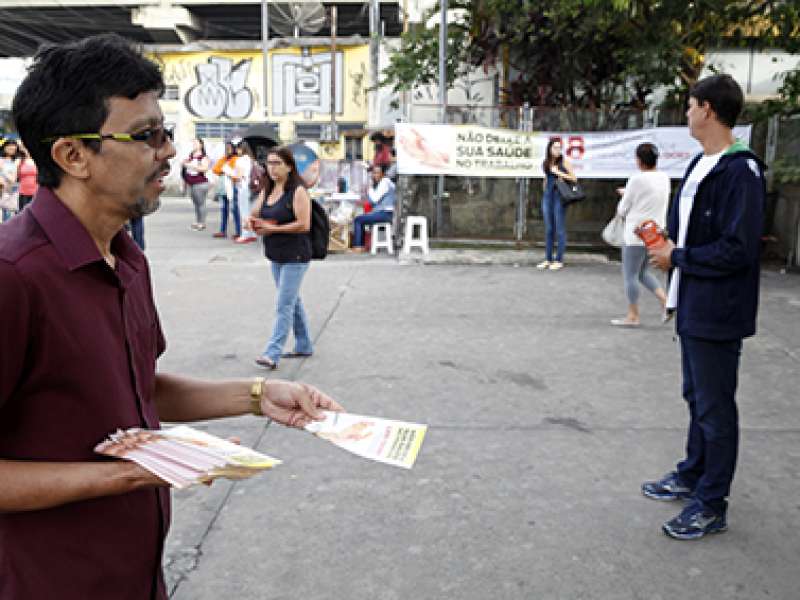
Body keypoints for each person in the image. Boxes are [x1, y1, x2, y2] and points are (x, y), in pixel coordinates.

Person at [0, 34, 342, 599]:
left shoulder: (126, 258)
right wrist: (130, 474)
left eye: (165, 133)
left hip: (136, 574)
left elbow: (136, 389)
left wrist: (257, 395)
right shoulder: (15, 276)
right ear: (72, 155)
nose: (168, 152)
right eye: (146, 136)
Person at [643, 74, 765, 540]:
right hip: (691, 300)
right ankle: (693, 472)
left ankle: (712, 503)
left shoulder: (741, 172)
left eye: (691, 105)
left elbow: (738, 249)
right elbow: (692, 231)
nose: (687, 113)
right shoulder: (700, 163)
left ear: (709, 110)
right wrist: (667, 242)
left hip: (719, 309)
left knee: (715, 408)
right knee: (696, 396)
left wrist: (679, 257)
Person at [249, 146, 314, 370]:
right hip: (275, 253)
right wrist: (253, 221)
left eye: (277, 163)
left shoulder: (297, 191)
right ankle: (304, 344)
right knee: (292, 301)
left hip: (296, 255)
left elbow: (304, 224)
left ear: (289, 166)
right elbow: (256, 212)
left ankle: (272, 353)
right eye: (269, 163)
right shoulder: (267, 189)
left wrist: (272, 229)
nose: (272, 168)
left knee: (283, 304)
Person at [611, 142, 670, 326]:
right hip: (654, 232)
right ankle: (667, 302)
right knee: (643, 272)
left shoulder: (636, 180)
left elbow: (623, 209)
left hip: (636, 232)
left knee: (630, 275)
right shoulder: (664, 177)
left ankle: (633, 315)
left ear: (638, 160)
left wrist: (625, 194)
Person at [537, 138, 576, 271]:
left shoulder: (564, 162)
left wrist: (559, 173)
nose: (557, 150)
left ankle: (559, 259)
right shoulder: (546, 163)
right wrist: (545, 190)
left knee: (559, 229)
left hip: (559, 197)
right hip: (548, 196)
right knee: (549, 229)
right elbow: (546, 178)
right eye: (555, 147)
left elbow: (574, 178)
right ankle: (548, 258)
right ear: (549, 148)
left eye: (559, 148)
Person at [351, 164, 396, 252]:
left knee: (358, 220)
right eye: (374, 173)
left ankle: (358, 246)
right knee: (362, 219)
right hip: (384, 213)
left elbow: (375, 199)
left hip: (385, 214)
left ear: (383, 174)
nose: (375, 175)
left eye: (377, 173)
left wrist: (369, 189)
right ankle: (361, 246)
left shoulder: (385, 182)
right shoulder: (385, 183)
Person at [212, 141, 241, 239]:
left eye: (229, 148)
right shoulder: (223, 159)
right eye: (226, 148)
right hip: (223, 188)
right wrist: (224, 169)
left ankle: (239, 231)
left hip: (232, 187)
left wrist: (225, 170)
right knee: (224, 209)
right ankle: (222, 230)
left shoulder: (236, 159)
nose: (227, 150)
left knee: (235, 210)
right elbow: (215, 169)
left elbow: (234, 172)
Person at [182, 137, 211, 230]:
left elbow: (204, 168)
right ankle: (198, 220)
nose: (194, 145)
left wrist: (191, 165)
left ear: (201, 145)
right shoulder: (190, 156)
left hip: (200, 182)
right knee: (196, 203)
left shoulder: (203, 157)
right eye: (193, 143)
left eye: (196, 143)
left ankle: (202, 222)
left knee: (201, 203)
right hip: (191, 182)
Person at [232, 139, 257, 244]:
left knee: (244, 212)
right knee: (251, 211)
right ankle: (253, 234)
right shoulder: (252, 160)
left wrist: (229, 173)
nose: (236, 150)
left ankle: (245, 234)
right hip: (252, 188)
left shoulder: (240, 160)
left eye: (237, 148)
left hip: (243, 188)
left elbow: (238, 176)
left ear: (241, 149)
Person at [0, 139, 21, 221]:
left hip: (13, 194)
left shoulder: (18, 160)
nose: (12, 148)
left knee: (11, 217)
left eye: (14, 146)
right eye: (9, 145)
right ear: (4, 147)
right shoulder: (1, 160)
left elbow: (13, 179)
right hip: (2, 193)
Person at [16, 140, 38, 211]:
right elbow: (15, 176)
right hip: (23, 192)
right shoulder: (19, 161)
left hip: (37, 192)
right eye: (23, 147)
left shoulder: (38, 160)